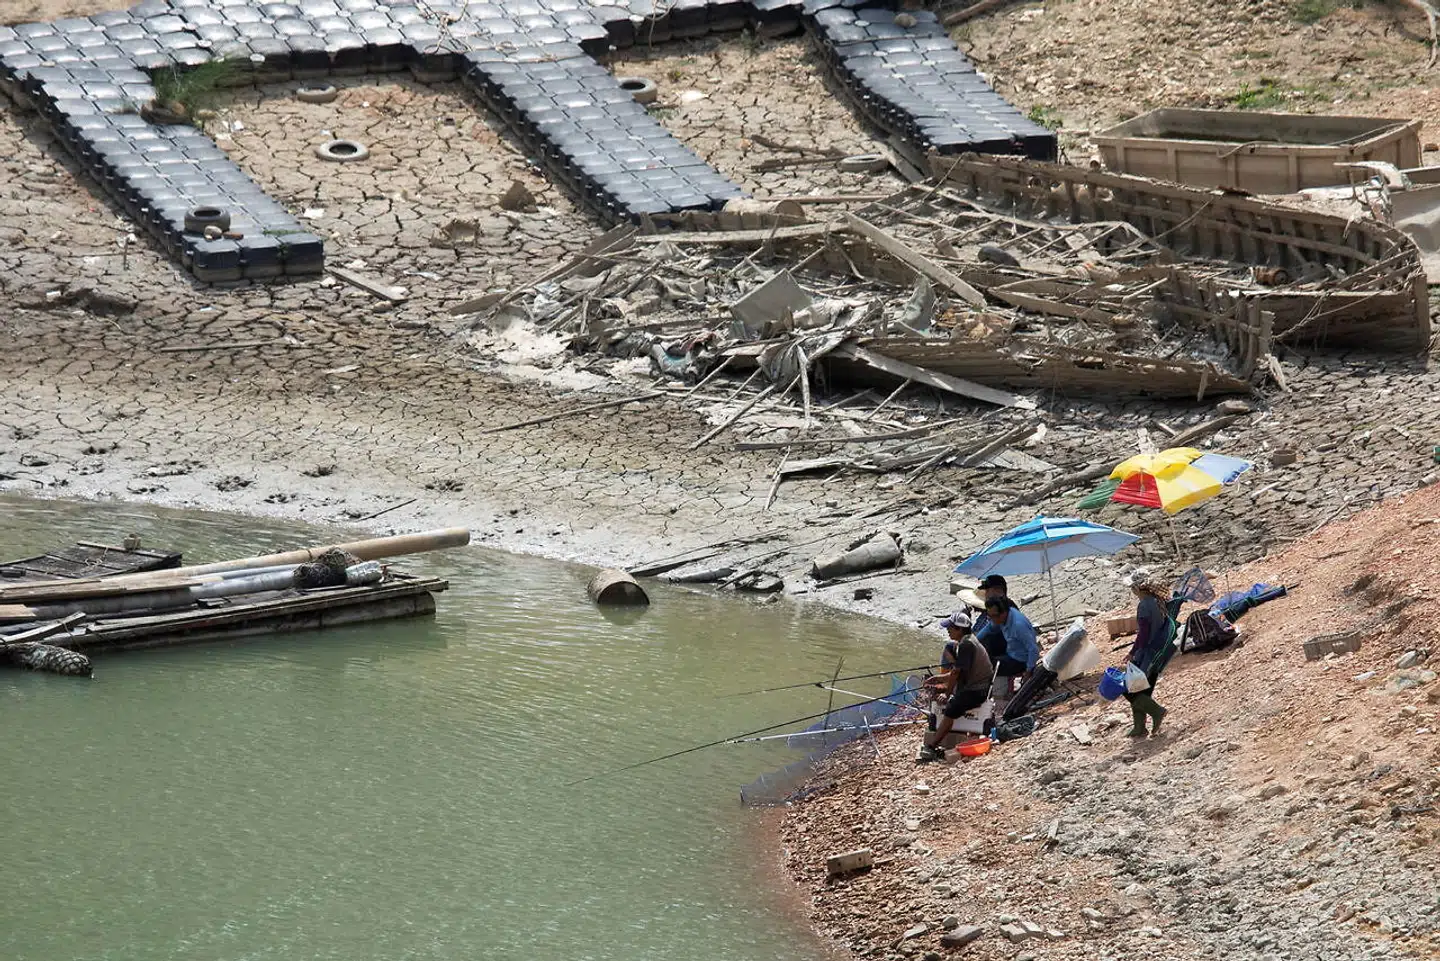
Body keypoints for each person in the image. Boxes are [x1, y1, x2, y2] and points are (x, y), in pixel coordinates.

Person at [917, 612, 993, 763]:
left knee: (951, 709)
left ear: (959, 629)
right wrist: (939, 678)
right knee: (952, 703)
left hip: (977, 690)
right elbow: (958, 670)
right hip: (976, 686)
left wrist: (947, 693)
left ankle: (932, 746)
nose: (948, 630)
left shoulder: (966, 644)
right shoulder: (967, 641)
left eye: (950, 628)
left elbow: (957, 672)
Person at [1122, 568, 1171, 737]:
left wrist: (1132, 652)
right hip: (1159, 649)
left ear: (1137, 589)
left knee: (1131, 689)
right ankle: (1139, 727)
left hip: (1147, 652)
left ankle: (1157, 712)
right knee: (1142, 688)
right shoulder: (1158, 600)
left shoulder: (1144, 605)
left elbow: (1143, 634)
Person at [978, 596, 1039, 679]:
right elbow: (989, 628)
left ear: (1003, 613)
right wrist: (975, 640)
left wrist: (1028, 671)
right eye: (990, 616)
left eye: (994, 616)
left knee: (987, 666)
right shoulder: (1000, 617)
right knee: (985, 641)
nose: (992, 619)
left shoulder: (1019, 625)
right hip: (1011, 647)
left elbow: (1033, 649)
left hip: (1020, 660)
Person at [971, 574, 1020, 662]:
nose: (985, 594)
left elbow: (989, 630)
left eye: (987, 591)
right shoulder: (994, 606)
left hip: (1002, 653)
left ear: (998, 591)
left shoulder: (1006, 608)